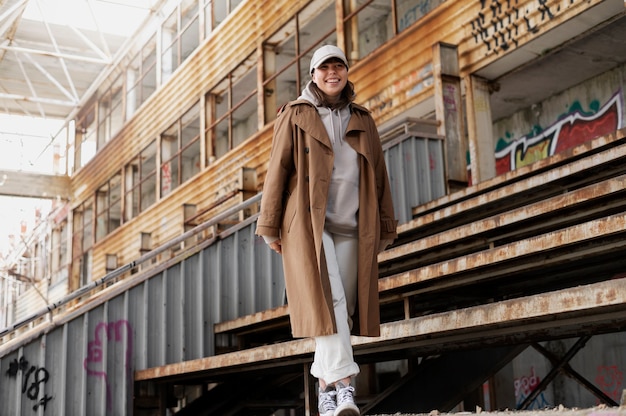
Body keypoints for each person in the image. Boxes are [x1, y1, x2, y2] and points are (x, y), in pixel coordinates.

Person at [255, 44, 398, 416]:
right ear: (313, 74)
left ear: (347, 72)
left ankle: (324, 389)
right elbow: (277, 170)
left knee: (341, 310)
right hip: (309, 224)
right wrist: (270, 225)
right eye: (325, 68)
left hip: (354, 223)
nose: (332, 73)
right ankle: (346, 387)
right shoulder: (297, 114)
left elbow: (379, 175)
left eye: (339, 67)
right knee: (331, 300)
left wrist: (384, 225)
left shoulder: (363, 118)